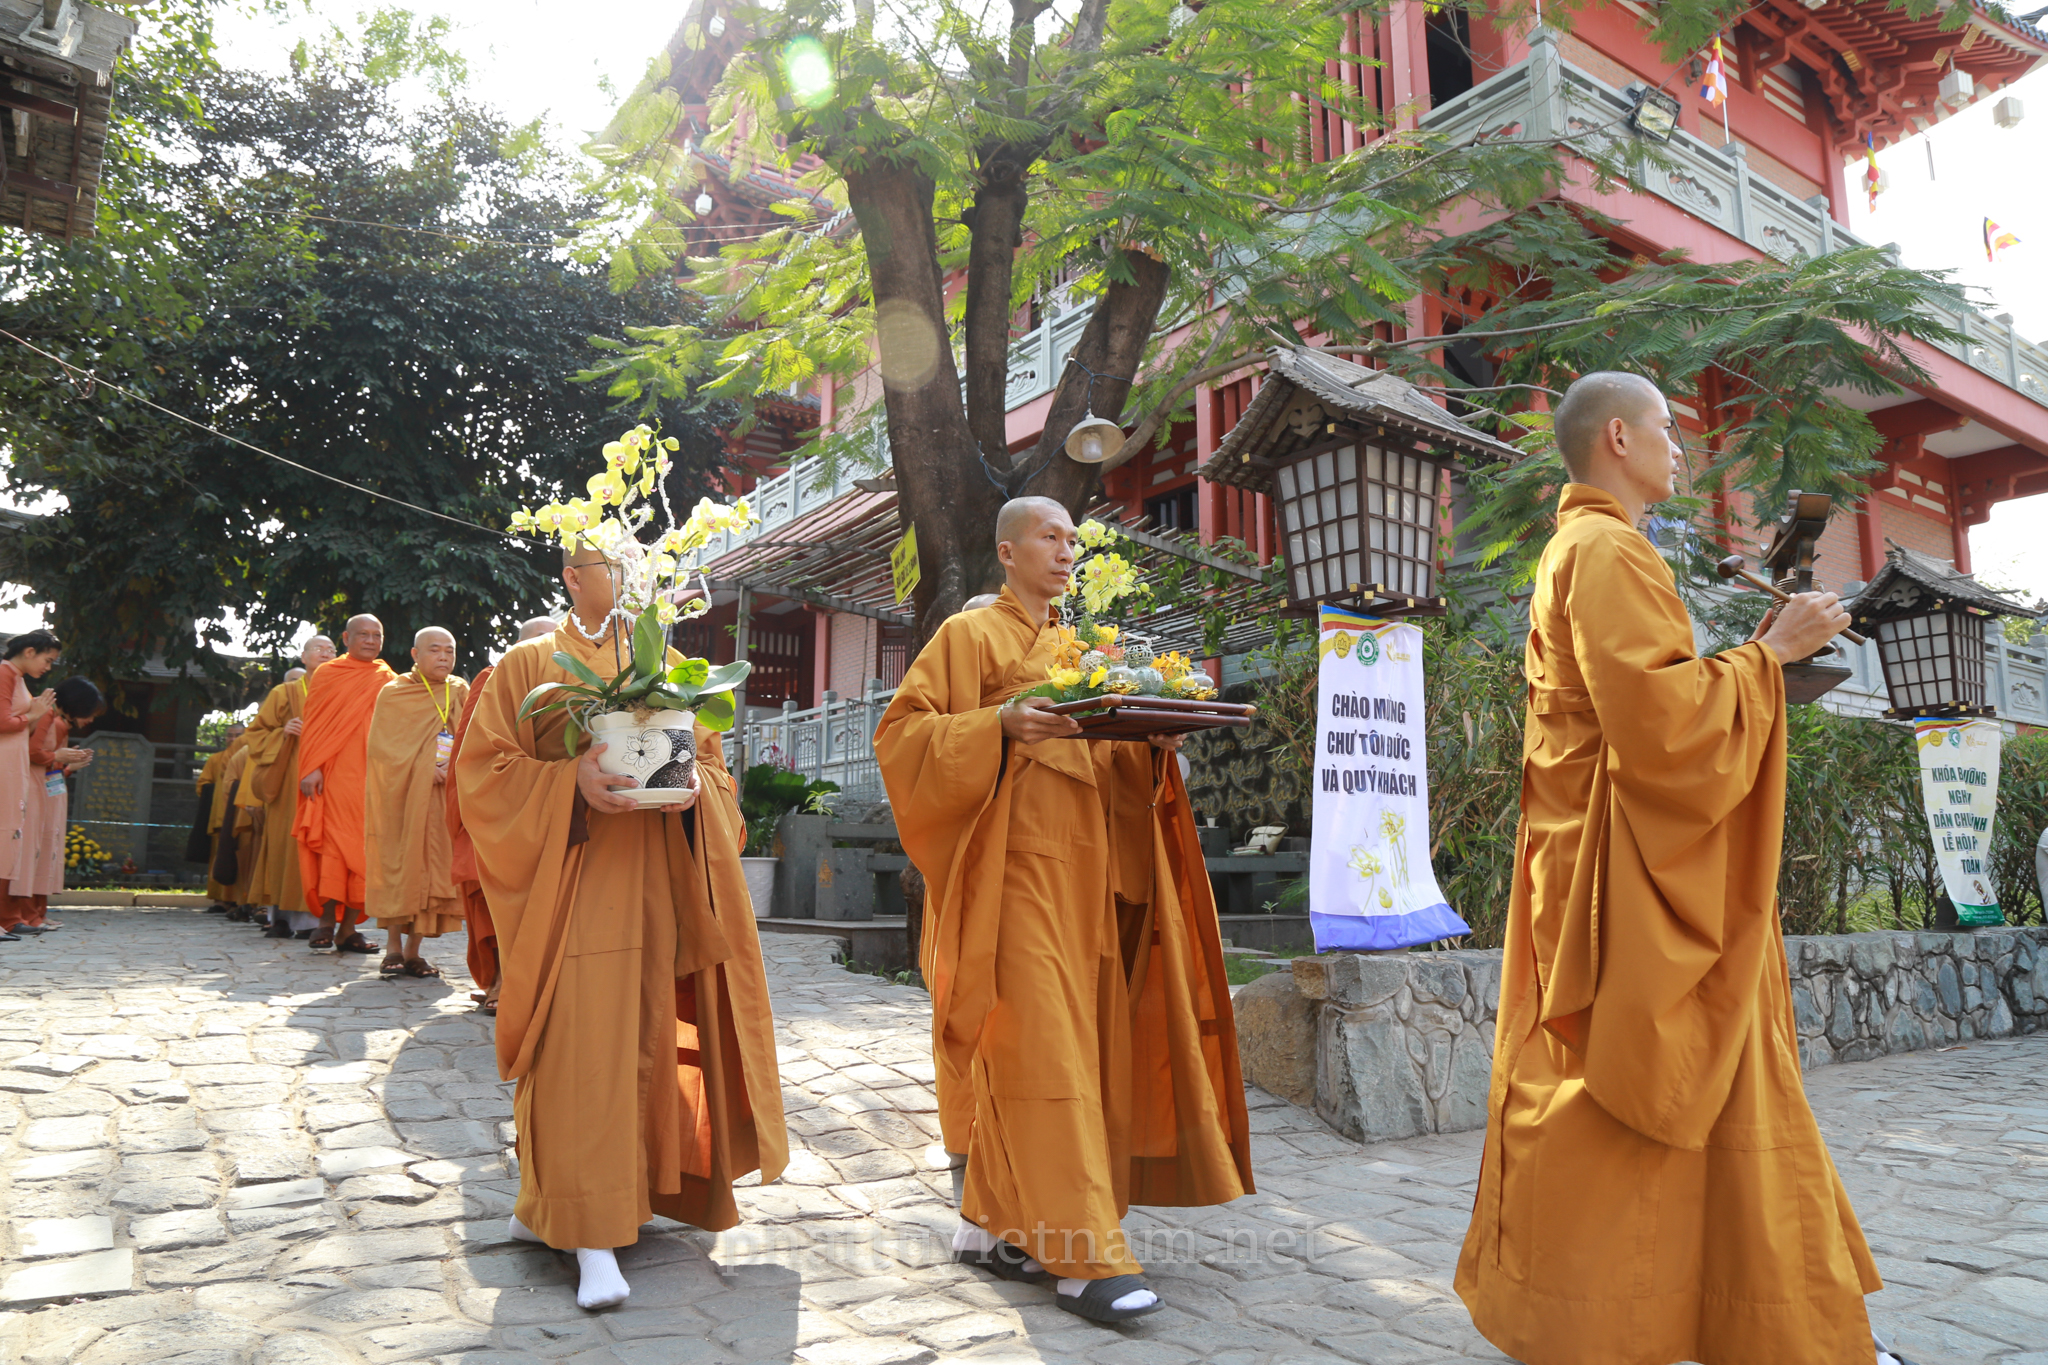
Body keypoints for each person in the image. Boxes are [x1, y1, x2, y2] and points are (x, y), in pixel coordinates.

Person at [1453, 372, 1888, 1365]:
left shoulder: (1584, 546)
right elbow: (1659, 729)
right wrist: (1770, 656)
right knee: (1647, 1087)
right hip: (1626, 881)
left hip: (1597, 864)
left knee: (1670, 1086)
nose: (1681, 450)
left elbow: (1650, 703)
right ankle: (1705, 1322)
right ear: (1617, 437)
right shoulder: (1607, 549)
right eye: (1667, 430)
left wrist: (1757, 655)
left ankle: (1734, 1317)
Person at [874, 497, 1253, 1325]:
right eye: (1050, 536)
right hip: (1010, 875)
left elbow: (1107, 761)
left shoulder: (1082, 653)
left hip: (1085, 878)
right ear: (1008, 551)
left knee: (1066, 1051)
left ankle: (990, 1223)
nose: (1066, 550)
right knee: (1043, 1050)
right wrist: (999, 724)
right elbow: (901, 736)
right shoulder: (968, 636)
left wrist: (1152, 743)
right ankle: (1085, 1258)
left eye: (1073, 539)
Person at [455, 554, 784, 1311]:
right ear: (574, 575)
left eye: (643, 562)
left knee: (647, 1040)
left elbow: (715, 772)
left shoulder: (672, 666)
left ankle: (567, 1201)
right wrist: (568, 781)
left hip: (661, 886)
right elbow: (483, 773)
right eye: (616, 562)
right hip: (575, 888)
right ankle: (589, 1231)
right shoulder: (529, 664)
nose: (635, 576)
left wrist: (695, 786)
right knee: (580, 1046)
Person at [447, 616, 556, 1013]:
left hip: (552, 801)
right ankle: (499, 979)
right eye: (538, 640)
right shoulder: (492, 679)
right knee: (493, 894)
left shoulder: (574, 683)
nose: (547, 648)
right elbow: (469, 751)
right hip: (499, 803)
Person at [363, 627, 469, 979]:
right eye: (435, 650)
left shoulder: (459, 690)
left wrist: (451, 766)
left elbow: (472, 737)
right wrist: (425, 768)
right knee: (400, 863)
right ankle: (392, 947)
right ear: (415, 654)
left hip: (442, 797)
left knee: (434, 868)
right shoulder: (395, 693)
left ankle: (414, 951)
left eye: (449, 651)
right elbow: (383, 750)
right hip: (403, 796)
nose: (443, 657)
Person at [295, 616, 394, 953]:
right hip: (334, 776)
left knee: (366, 851)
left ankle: (348, 930)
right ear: (346, 638)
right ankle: (325, 923)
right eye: (363, 634)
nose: (370, 640)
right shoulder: (328, 673)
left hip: (374, 778)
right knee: (333, 848)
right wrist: (311, 767)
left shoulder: (388, 678)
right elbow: (314, 724)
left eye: (377, 635)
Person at [245, 649, 332, 939]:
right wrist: (283, 731)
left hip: (328, 781)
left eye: (331, 650)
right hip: (289, 783)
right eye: (318, 650)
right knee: (285, 847)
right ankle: (279, 917)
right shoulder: (284, 693)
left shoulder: (339, 691)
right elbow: (256, 734)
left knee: (320, 848)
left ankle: (315, 921)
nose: (325, 654)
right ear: (304, 657)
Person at [5, 675, 100, 935]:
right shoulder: (51, 718)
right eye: (89, 711)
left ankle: (32, 914)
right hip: (35, 787)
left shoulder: (55, 720)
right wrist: (59, 759)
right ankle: (22, 915)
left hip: (44, 787)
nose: (90, 719)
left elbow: (49, 765)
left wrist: (65, 766)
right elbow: (34, 752)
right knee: (30, 851)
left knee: (40, 851)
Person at [0, 632, 62, 942]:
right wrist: (33, 715)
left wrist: (32, 716)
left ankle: (7, 917)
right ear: (28, 651)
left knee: (9, 838)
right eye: (47, 660)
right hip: (4, 764)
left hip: (14, 765)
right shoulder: (4, 673)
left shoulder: (18, 678)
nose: (48, 667)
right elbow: (2, 722)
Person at [199, 723, 251, 913]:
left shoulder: (250, 753)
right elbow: (203, 784)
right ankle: (219, 899)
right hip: (220, 814)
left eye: (237, 735)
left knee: (242, 856)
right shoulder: (215, 759)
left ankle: (238, 899)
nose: (233, 739)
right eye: (230, 735)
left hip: (243, 813)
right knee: (220, 856)